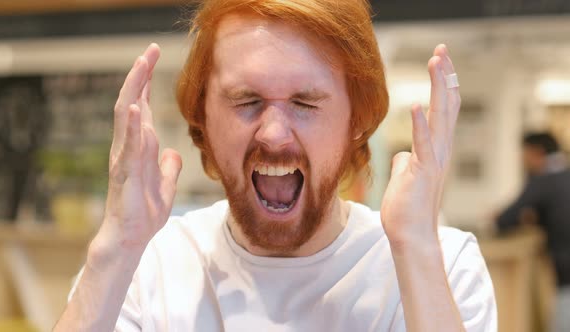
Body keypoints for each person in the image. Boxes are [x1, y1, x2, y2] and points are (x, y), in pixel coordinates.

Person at [54, 0, 496, 331]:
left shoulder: (443, 265)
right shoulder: (148, 266)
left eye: (305, 102)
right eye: (246, 100)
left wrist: (416, 249)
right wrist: (116, 249)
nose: (273, 134)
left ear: (356, 121)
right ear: (203, 116)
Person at [496, 132, 570, 332]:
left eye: (524, 153)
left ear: (536, 152)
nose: (522, 159)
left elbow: (505, 220)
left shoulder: (543, 179)